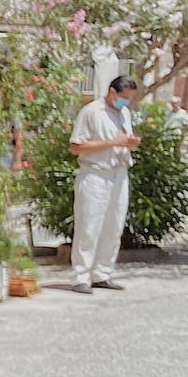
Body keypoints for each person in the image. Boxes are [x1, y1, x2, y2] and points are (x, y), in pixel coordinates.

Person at [68, 76, 139, 294]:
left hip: (119, 172)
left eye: (130, 99)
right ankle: (81, 276)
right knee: (89, 226)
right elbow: (76, 146)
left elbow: (122, 139)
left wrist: (130, 143)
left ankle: (102, 273)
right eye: (124, 97)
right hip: (95, 173)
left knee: (114, 226)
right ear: (112, 92)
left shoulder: (124, 113)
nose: (126, 102)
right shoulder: (91, 112)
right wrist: (111, 143)